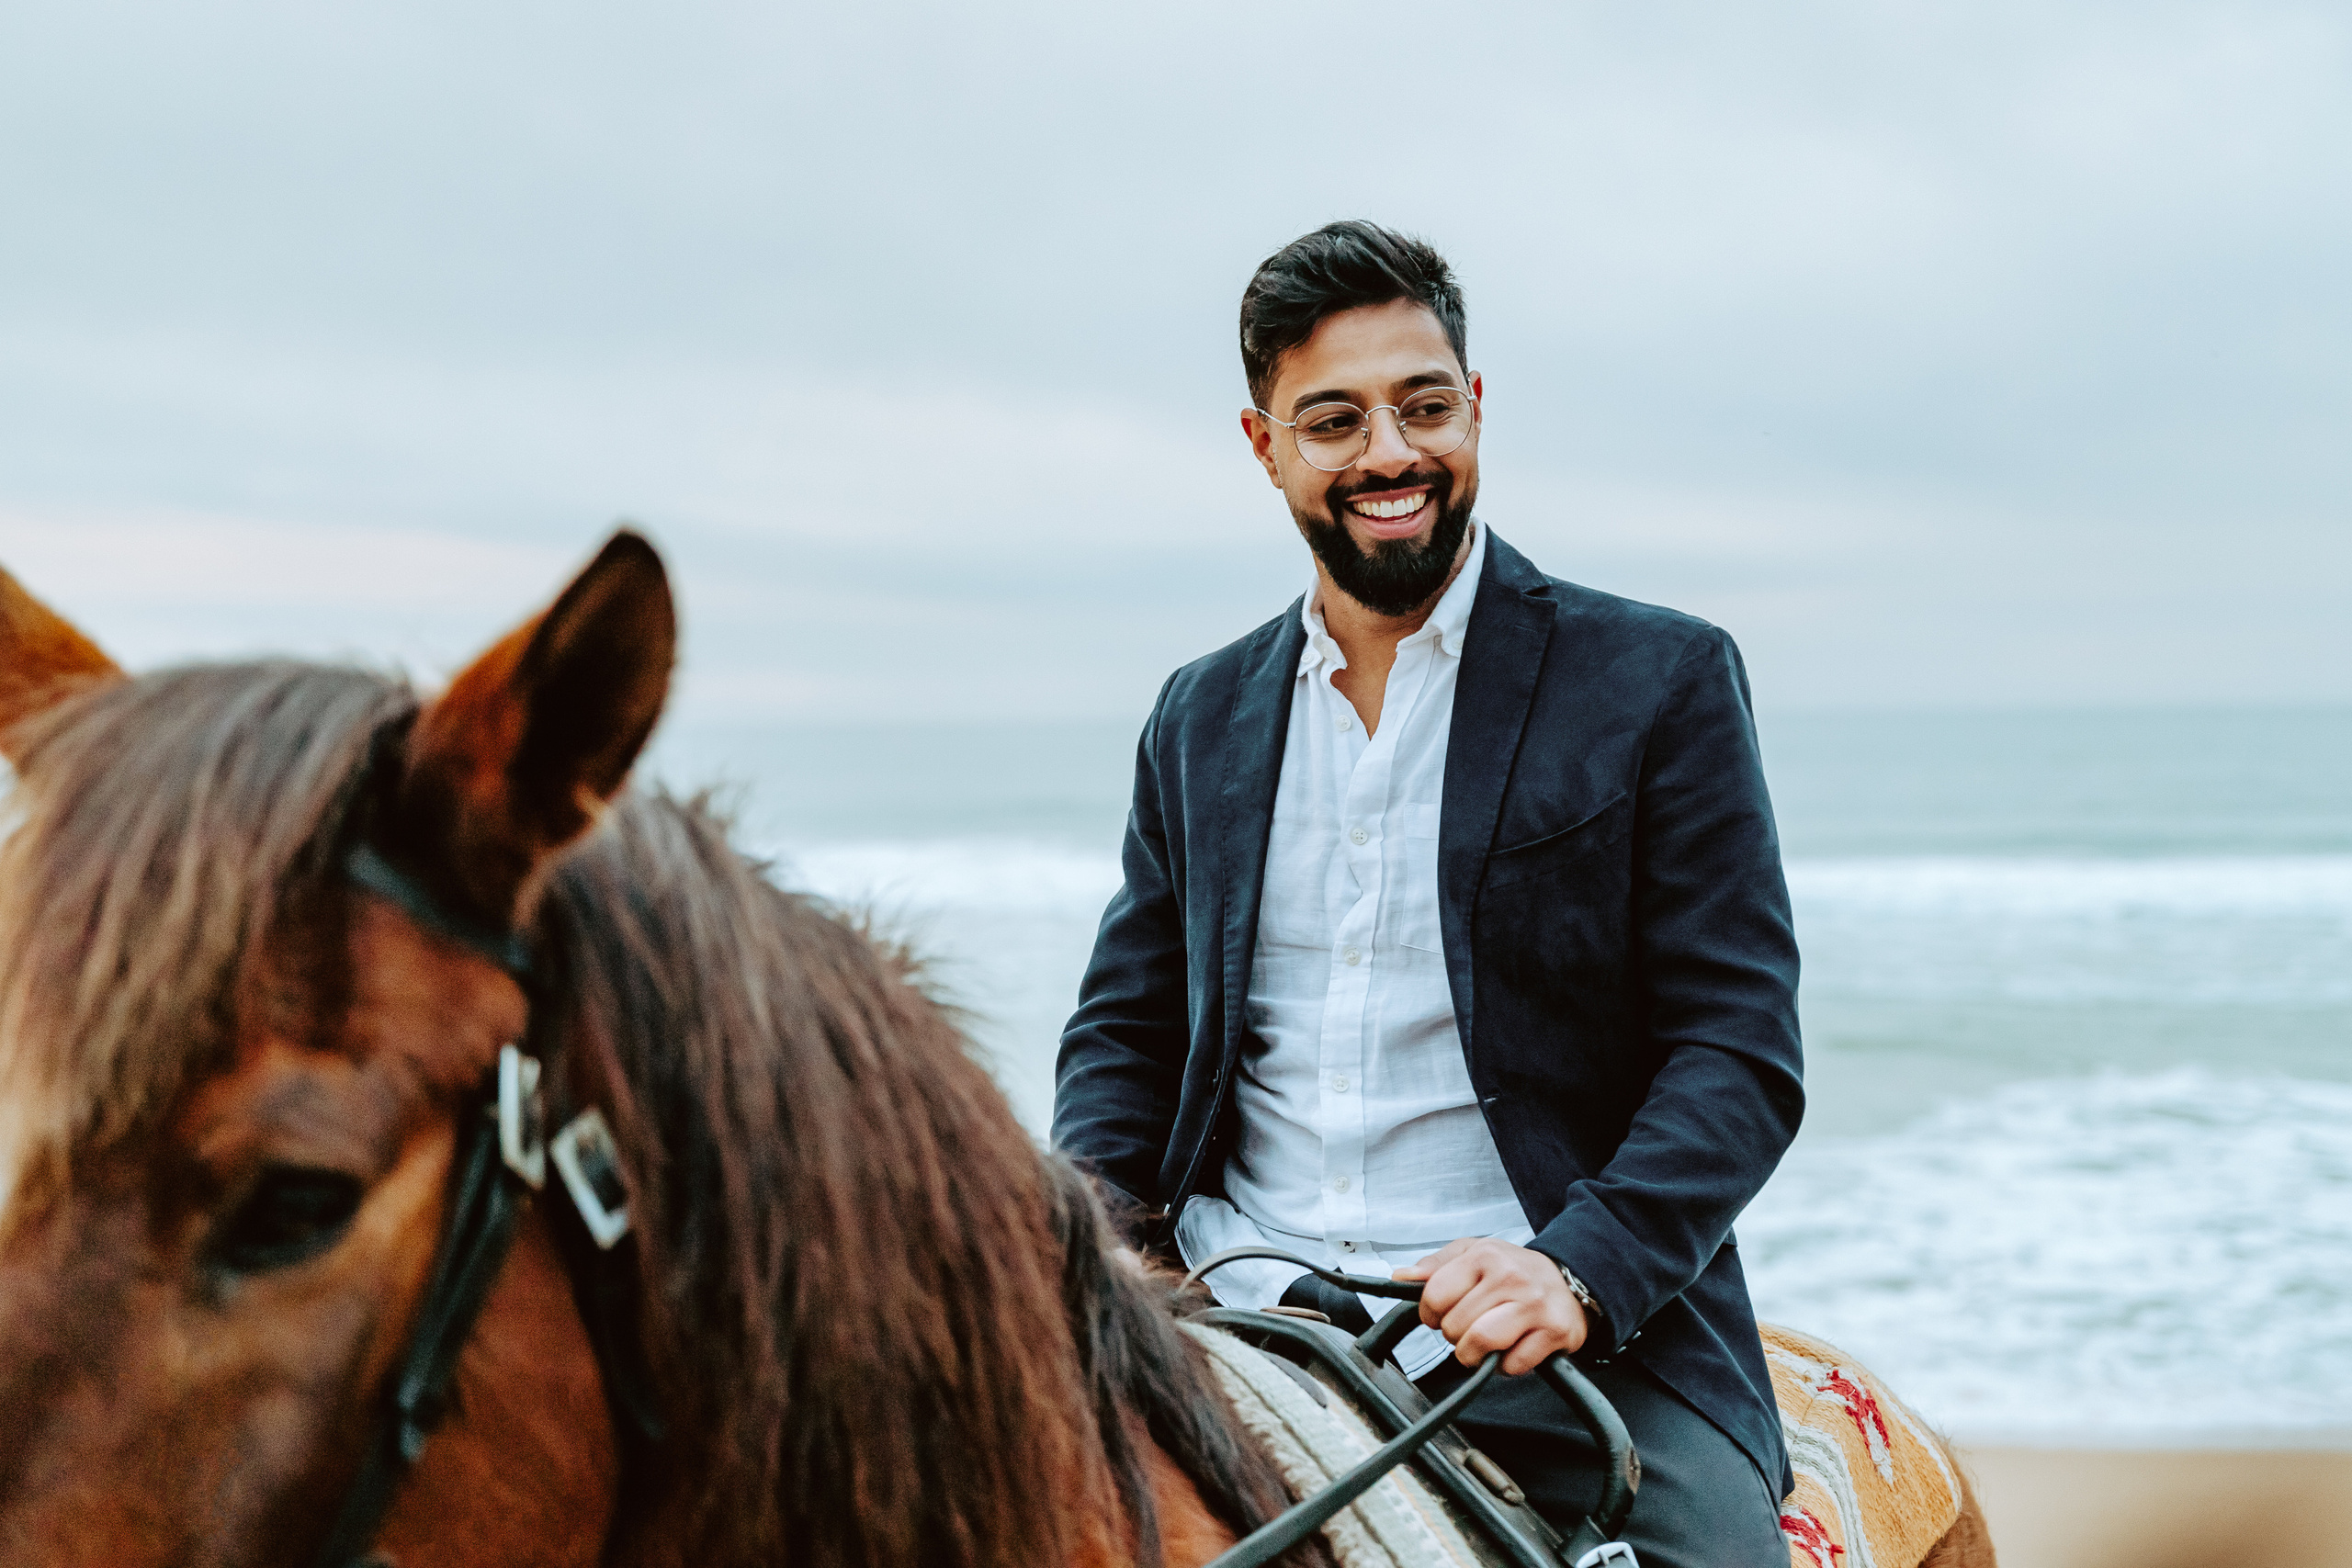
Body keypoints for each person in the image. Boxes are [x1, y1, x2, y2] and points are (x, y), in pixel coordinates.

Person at [1052, 220, 1802, 1565]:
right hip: (1230, 1301)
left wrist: (1576, 1269)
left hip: (1544, 1323)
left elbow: (1737, 1054)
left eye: (1423, 406)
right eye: (1332, 419)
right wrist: (1099, 1249)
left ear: (1475, 410)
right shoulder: (1198, 718)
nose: (1388, 454)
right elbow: (1127, 1037)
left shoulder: (1657, 682)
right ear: (1264, 445)